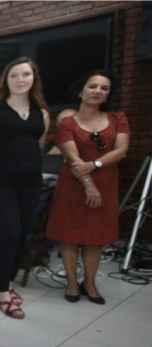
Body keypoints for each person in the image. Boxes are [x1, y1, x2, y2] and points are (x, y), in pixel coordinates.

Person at [0, 57, 50, 319]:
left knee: (23, 236)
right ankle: (3, 293)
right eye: (14, 75)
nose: (19, 80)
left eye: (25, 74)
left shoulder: (43, 112)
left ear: (33, 78)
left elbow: (39, 144)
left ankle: (10, 283)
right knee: (10, 235)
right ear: (6, 79)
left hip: (30, 183)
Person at [46, 70, 130, 304]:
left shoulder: (118, 118)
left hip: (106, 184)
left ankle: (90, 283)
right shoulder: (67, 123)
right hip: (73, 184)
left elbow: (121, 150)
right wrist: (88, 183)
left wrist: (94, 164)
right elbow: (73, 160)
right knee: (69, 235)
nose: (97, 91)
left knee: (96, 237)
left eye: (104, 88)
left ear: (108, 95)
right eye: (92, 86)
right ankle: (72, 282)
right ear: (81, 91)